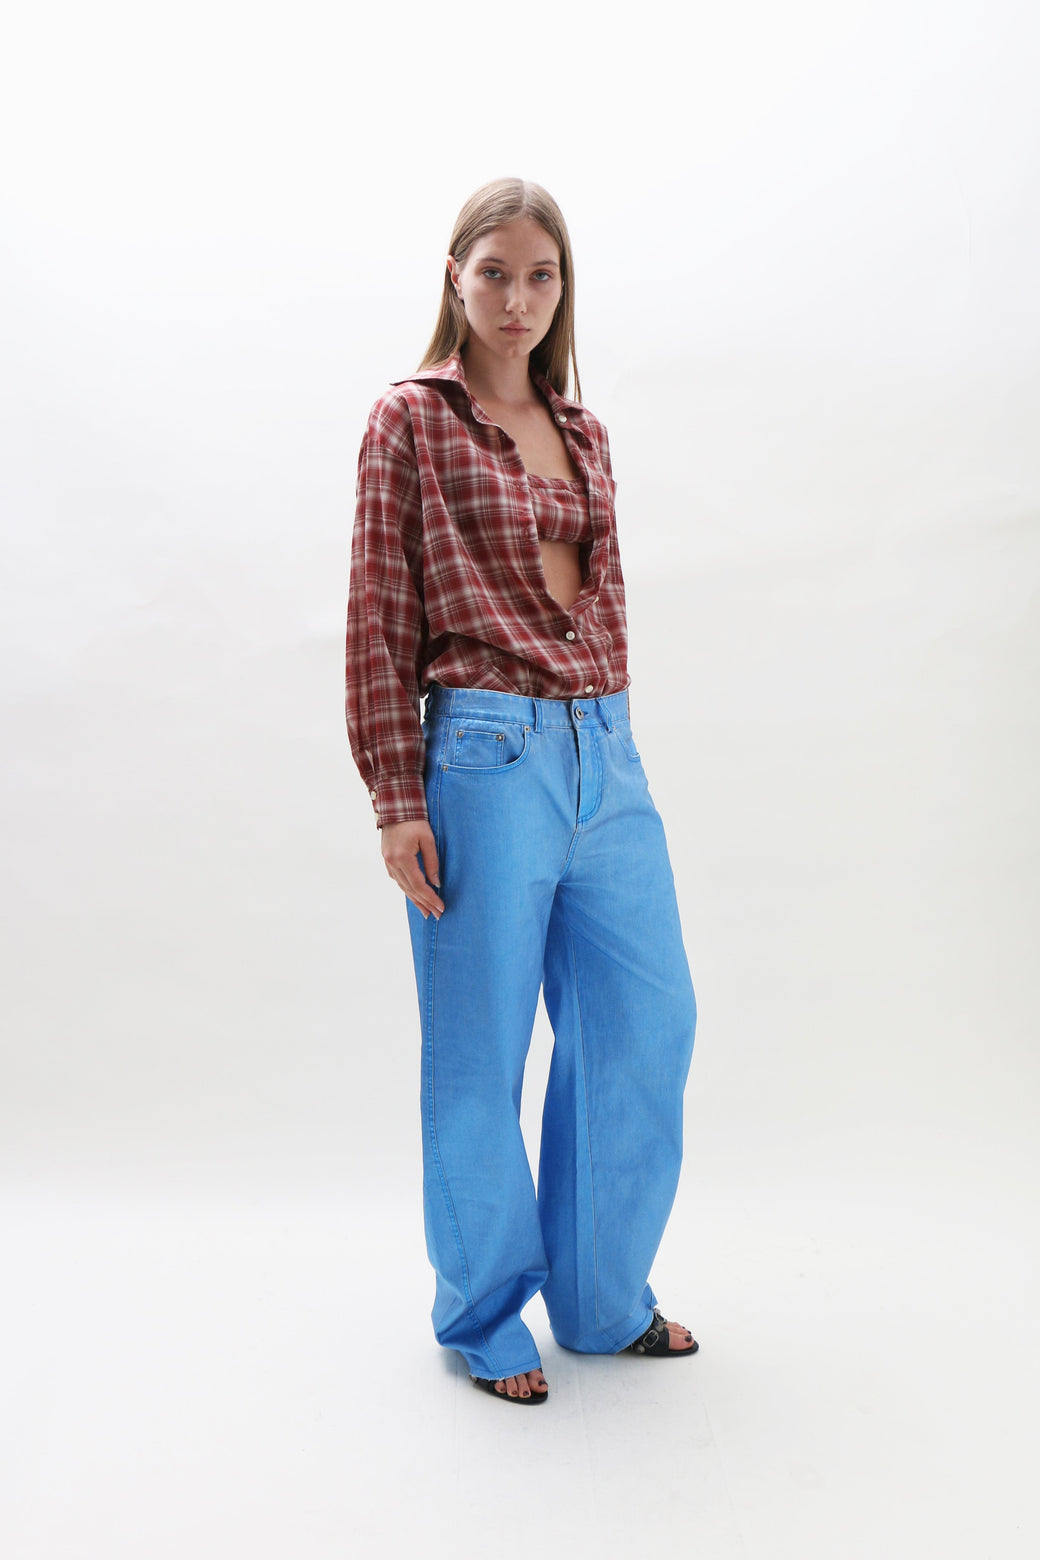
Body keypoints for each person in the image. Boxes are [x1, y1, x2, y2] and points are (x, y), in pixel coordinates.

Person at [345, 178, 698, 1404]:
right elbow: (378, 616)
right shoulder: (410, 419)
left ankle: (600, 1300)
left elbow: (599, 599)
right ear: (454, 277)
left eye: (539, 275)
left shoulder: (582, 430)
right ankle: (484, 1312)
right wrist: (396, 797)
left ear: (562, 289)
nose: (516, 298)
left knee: (645, 1019)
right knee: (479, 1044)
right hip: (484, 757)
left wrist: (608, 738)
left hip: (606, 746)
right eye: (493, 271)